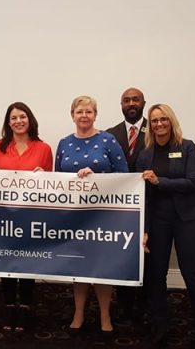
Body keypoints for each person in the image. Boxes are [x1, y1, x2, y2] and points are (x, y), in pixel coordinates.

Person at [136, 103, 195, 349]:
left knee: (192, 274)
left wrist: (161, 181)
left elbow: (193, 181)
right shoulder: (145, 154)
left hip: (187, 219)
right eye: (155, 120)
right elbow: (142, 196)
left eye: (163, 119)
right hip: (158, 220)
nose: (159, 124)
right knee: (156, 275)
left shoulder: (186, 146)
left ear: (171, 121)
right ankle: (160, 325)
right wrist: (144, 229)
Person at [55, 95, 129, 336]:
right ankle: (78, 313)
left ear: (95, 115)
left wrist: (97, 176)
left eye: (88, 111)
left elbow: (124, 176)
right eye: (79, 112)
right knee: (79, 265)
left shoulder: (108, 140)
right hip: (73, 217)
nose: (84, 116)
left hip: (102, 216)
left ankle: (105, 315)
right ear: (72, 115)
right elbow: (56, 180)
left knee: (101, 266)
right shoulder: (64, 143)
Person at [0, 102, 53, 332]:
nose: (18, 121)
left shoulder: (43, 148)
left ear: (29, 119)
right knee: (6, 259)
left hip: (31, 216)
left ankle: (25, 305)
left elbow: (54, 185)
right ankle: (8, 306)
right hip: (4, 216)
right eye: (13, 118)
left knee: (27, 260)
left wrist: (45, 176)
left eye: (22, 116)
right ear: (8, 123)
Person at [106, 87, 148, 322]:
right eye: (126, 100)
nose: (131, 103)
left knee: (147, 259)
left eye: (135, 100)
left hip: (151, 205)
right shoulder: (110, 134)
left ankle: (144, 308)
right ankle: (124, 308)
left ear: (143, 103)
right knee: (121, 255)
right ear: (121, 105)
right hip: (120, 208)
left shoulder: (156, 129)